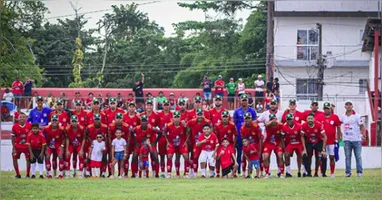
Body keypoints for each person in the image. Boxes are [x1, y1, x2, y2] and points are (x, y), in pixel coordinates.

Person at [340, 100, 366, 178]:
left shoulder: (357, 116)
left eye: (350, 104)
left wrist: (364, 135)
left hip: (357, 140)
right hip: (347, 140)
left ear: (352, 106)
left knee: (358, 156)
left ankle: (359, 172)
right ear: (345, 106)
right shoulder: (343, 116)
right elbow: (338, 124)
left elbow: (362, 126)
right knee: (347, 157)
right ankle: (348, 173)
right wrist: (339, 134)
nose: (348, 106)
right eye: (347, 105)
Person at [233, 94, 257, 175]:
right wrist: (235, 136)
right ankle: (239, 170)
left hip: (250, 136)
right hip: (240, 136)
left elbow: (255, 122)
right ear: (240, 101)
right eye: (242, 100)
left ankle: (251, 170)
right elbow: (234, 125)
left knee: (251, 153)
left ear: (247, 101)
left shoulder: (252, 111)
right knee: (239, 153)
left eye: (245, 100)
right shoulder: (236, 111)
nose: (244, 102)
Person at [186, 108, 212, 178]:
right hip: (196, 142)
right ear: (196, 115)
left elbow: (211, 132)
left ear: (203, 115)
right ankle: (195, 173)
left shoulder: (207, 122)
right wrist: (188, 139)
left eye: (201, 114)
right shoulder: (191, 122)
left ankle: (207, 173)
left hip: (206, 143)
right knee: (195, 157)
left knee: (206, 158)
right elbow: (187, 130)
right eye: (198, 114)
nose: (200, 116)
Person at [164, 111, 190, 178]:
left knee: (186, 156)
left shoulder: (183, 125)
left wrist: (186, 142)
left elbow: (189, 132)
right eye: (175, 117)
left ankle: (186, 173)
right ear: (172, 118)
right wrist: (167, 141)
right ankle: (170, 173)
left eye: (178, 117)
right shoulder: (169, 125)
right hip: (172, 144)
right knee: (169, 156)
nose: (176, 119)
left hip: (181, 143)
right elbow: (164, 132)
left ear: (180, 118)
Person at [214, 110, 237, 177]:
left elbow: (235, 135)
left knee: (233, 157)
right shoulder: (218, 125)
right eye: (223, 117)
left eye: (226, 116)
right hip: (221, 145)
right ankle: (218, 172)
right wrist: (217, 146)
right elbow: (216, 136)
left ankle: (233, 173)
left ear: (228, 117)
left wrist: (233, 146)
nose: (225, 118)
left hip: (230, 144)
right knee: (218, 158)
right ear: (221, 117)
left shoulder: (232, 125)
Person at [322, 102, 342, 178]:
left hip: (332, 141)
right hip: (322, 141)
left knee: (332, 157)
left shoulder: (335, 117)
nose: (327, 110)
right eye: (325, 108)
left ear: (330, 109)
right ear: (323, 109)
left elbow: (338, 126)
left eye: (328, 108)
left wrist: (339, 136)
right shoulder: (320, 117)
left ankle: (332, 173)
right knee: (322, 157)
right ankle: (322, 172)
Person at [240, 112, 262, 177]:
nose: (247, 120)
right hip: (247, 145)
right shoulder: (242, 128)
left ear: (251, 119)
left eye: (248, 119)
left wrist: (260, 151)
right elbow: (243, 140)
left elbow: (260, 139)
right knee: (244, 157)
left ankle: (261, 173)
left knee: (258, 159)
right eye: (246, 119)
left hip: (256, 144)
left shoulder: (256, 126)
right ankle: (244, 173)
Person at [282, 114, 304, 178]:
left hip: (298, 143)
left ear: (293, 119)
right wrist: (284, 149)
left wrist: (304, 148)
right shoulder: (284, 127)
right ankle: (288, 172)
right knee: (286, 155)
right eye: (288, 120)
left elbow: (303, 137)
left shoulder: (299, 126)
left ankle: (301, 171)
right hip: (290, 143)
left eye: (290, 119)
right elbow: (282, 138)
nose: (289, 121)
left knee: (301, 155)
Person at [263, 113, 284, 178]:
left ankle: (281, 173)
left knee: (280, 156)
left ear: (276, 119)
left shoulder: (280, 125)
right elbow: (266, 124)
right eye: (271, 119)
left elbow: (283, 133)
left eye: (273, 119)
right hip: (268, 143)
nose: (272, 121)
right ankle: (267, 173)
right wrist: (272, 121)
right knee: (265, 157)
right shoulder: (268, 125)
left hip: (277, 143)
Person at [44, 114, 65, 178]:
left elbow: (64, 138)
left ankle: (61, 173)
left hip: (58, 145)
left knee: (61, 156)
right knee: (47, 156)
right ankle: (49, 173)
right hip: (49, 146)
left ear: (58, 121)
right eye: (53, 120)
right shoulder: (46, 128)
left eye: (56, 121)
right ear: (51, 121)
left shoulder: (61, 129)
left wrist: (62, 145)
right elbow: (43, 138)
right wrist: (46, 146)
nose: (54, 122)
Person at [12, 112, 32, 178]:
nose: (22, 118)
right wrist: (14, 148)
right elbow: (12, 137)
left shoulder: (29, 125)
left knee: (28, 159)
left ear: (26, 118)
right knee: (14, 158)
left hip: (27, 146)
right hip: (17, 146)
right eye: (20, 117)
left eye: (23, 117)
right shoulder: (14, 126)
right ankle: (18, 174)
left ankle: (28, 174)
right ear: (18, 118)